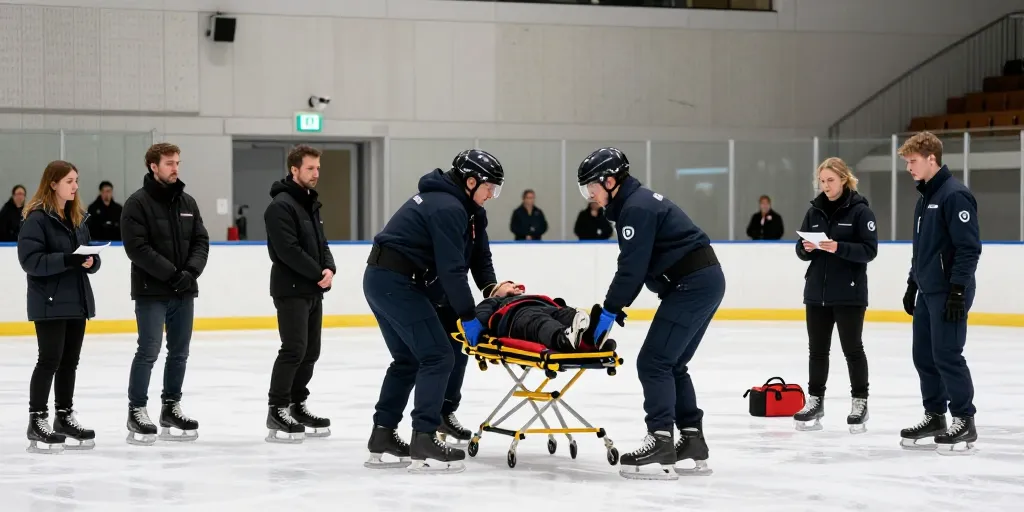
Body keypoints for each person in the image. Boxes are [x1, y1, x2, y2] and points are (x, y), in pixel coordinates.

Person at [577, 147, 725, 481]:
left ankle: (660, 440)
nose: (590, 195)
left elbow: (632, 269)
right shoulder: (636, 203)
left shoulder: (636, 208)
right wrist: (615, 307)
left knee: (653, 362)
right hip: (702, 281)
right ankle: (691, 439)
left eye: (592, 186)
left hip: (692, 284)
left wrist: (609, 311)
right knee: (672, 364)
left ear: (610, 181)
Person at [362, 149, 507, 474]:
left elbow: (479, 256)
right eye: (489, 188)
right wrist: (468, 317)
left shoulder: (467, 209)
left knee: (408, 360)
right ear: (471, 181)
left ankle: (382, 435)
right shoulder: (447, 208)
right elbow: (452, 270)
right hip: (396, 283)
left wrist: (491, 288)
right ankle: (424, 438)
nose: (491, 195)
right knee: (438, 356)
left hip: (383, 281)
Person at [896, 132, 981, 454]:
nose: (909, 168)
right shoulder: (925, 197)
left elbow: (968, 248)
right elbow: (922, 249)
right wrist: (912, 283)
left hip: (948, 292)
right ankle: (935, 416)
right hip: (927, 290)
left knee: (947, 355)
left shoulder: (954, 196)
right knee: (924, 355)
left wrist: (958, 290)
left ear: (931, 158)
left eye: (913, 161)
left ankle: (964, 419)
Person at [120, 142, 210, 446]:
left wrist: (190, 273)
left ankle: (171, 407)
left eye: (177, 163)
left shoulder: (187, 202)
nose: (175, 168)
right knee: (148, 350)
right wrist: (173, 275)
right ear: (153, 166)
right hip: (151, 291)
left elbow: (201, 241)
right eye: (169, 163)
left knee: (179, 352)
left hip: (184, 291)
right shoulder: (137, 204)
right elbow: (137, 248)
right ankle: (137, 409)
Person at [17, 161, 101, 454]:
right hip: (49, 300)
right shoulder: (37, 219)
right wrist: (68, 259)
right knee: (49, 360)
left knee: (69, 362)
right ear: (53, 183)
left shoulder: (76, 217)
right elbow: (31, 261)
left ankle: (64, 416)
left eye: (76, 180)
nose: (75, 186)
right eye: (69, 181)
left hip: (76, 299)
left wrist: (91, 261)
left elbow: (88, 256)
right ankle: (37, 419)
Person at [792, 157, 877, 434]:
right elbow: (800, 249)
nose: (825, 186)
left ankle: (860, 402)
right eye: (822, 181)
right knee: (817, 350)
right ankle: (815, 401)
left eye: (830, 180)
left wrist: (839, 247)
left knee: (852, 349)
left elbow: (870, 251)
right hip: (817, 292)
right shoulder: (814, 211)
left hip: (849, 293)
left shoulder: (861, 212)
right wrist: (805, 248)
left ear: (843, 179)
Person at [263, 145, 336, 443]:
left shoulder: (310, 203)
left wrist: (329, 267)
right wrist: (318, 273)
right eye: (310, 168)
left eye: (318, 168)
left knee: (310, 352)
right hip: (290, 288)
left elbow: (322, 243)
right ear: (294, 169)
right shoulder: (281, 206)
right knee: (294, 349)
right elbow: (287, 250)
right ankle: (277, 409)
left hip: (312, 289)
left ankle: (296, 404)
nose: (316, 173)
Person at [471, 292, 600, 352]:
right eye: (509, 284)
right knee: (539, 322)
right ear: (496, 292)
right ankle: (562, 339)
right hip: (515, 315)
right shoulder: (492, 301)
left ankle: (590, 335)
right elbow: (481, 315)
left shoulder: (529, 296)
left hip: (546, 306)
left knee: (565, 313)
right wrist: (483, 333)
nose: (516, 286)